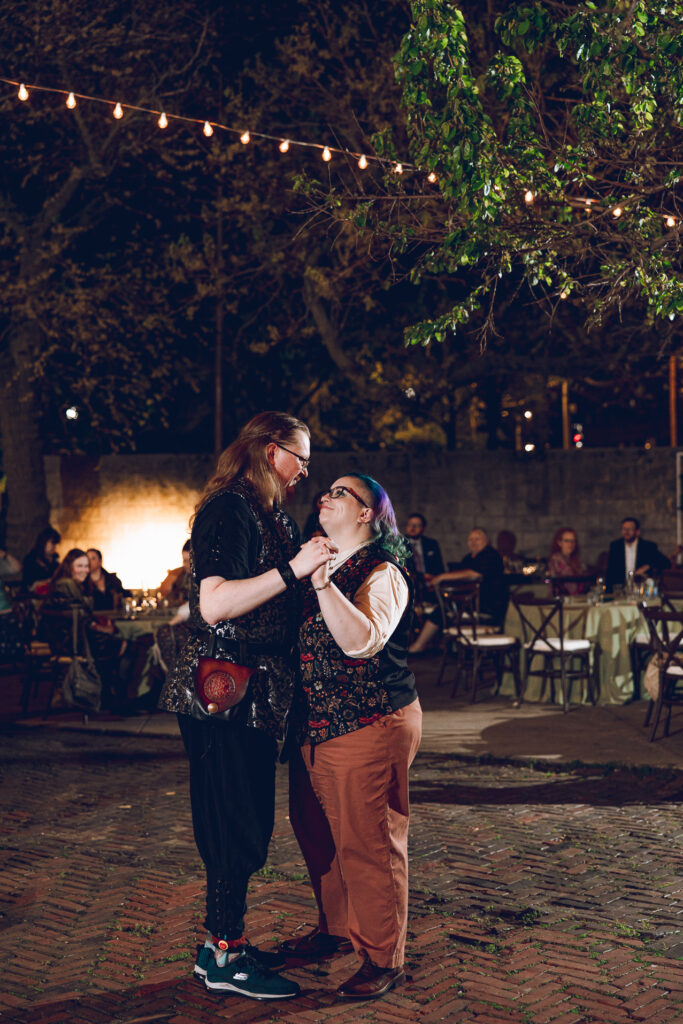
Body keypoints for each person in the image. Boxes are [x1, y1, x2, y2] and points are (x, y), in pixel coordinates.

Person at [159, 411, 332, 1002]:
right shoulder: (229, 509)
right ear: (266, 448)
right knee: (232, 820)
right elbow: (213, 603)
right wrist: (294, 568)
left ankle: (221, 946)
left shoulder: (267, 513)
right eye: (298, 457)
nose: (305, 471)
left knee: (247, 821)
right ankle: (225, 955)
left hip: (256, 694)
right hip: (224, 692)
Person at [284, 474, 421, 1001]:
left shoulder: (382, 572)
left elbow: (362, 641)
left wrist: (321, 585)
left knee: (369, 844)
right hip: (314, 725)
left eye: (341, 493)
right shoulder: (317, 562)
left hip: (370, 721)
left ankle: (384, 956)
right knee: (318, 833)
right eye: (327, 489)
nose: (327, 495)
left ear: (366, 514)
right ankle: (336, 929)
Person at [40, 548, 122, 708]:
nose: (84, 570)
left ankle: (109, 695)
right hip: (68, 640)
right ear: (70, 566)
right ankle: (109, 696)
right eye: (80, 566)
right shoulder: (67, 583)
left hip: (72, 636)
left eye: (86, 566)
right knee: (119, 643)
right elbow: (80, 615)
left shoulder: (73, 584)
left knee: (118, 642)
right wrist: (101, 628)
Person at [408, 527, 507, 652]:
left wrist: (442, 576)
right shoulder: (468, 558)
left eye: (477, 539)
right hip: (468, 602)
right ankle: (437, 645)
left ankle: (421, 645)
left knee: (442, 611)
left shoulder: (491, 555)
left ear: (486, 541)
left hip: (485, 606)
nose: (473, 542)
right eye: (470, 539)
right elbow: (457, 575)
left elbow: (475, 573)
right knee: (436, 606)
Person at [605, 516, 671, 592]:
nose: (626, 532)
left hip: (641, 590)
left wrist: (647, 566)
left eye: (629, 529)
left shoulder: (648, 546)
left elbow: (666, 562)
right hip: (620, 590)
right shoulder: (615, 546)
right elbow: (610, 572)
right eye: (624, 529)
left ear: (637, 531)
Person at [547, 527, 588, 596]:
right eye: (566, 541)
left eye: (573, 541)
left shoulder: (575, 560)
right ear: (559, 543)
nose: (570, 544)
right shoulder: (555, 559)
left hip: (576, 599)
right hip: (561, 599)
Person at [22, 527, 61, 592]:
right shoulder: (31, 559)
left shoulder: (55, 559)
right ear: (44, 542)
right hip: (32, 595)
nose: (54, 547)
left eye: (56, 544)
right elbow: (30, 585)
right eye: (52, 543)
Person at [159, 540, 191, 607]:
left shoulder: (206, 577)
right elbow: (163, 590)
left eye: (190, 561)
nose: (187, 565)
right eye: (185, 561)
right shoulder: (178, 573)